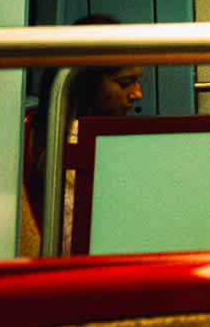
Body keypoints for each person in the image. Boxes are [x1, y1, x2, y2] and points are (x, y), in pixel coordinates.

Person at [22, 14, 143, 256]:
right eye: (124, 83)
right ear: (85, 83)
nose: (137, 94)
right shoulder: (73, 145)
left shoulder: (40, 127)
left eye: (138, 82)